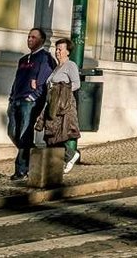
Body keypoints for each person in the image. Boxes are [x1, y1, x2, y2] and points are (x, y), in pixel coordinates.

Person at [7, 27, 55, 180]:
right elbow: (17, 80)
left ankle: (21, 170)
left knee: (24, 134)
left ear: (42, 40)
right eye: (29, 36)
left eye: (33, 37)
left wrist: (33, 96)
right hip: (16, 100)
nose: (29, 39)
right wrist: (11, 97)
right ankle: (34, 155)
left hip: (30, 103)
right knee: (12, 132)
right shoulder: (23, 60)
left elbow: (45, 82)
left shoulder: (45, 58)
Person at [43, 37, 84, 173]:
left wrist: (62, 92)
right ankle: (57, 165)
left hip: (62, 106)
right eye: (56, 49)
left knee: (56, 135)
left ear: (68, 52)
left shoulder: (70, 65)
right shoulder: (57, 68)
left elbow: (76, 84)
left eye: (60, 49)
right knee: (51, 136)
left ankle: (70, 155)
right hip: (52, 104)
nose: (57, 52)